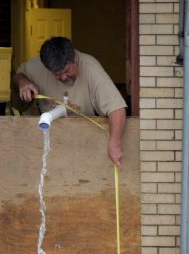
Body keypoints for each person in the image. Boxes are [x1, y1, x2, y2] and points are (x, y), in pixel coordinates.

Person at [13, 36, 127, 166]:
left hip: (85, 141)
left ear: (75, 59)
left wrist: (115, 143)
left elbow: (117, 109)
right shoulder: (38, 66)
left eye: (66, 71)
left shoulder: (92, 69)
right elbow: (20, 72)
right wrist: (22, 81)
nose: (62, 77)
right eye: (57, 73)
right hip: (51, 140)